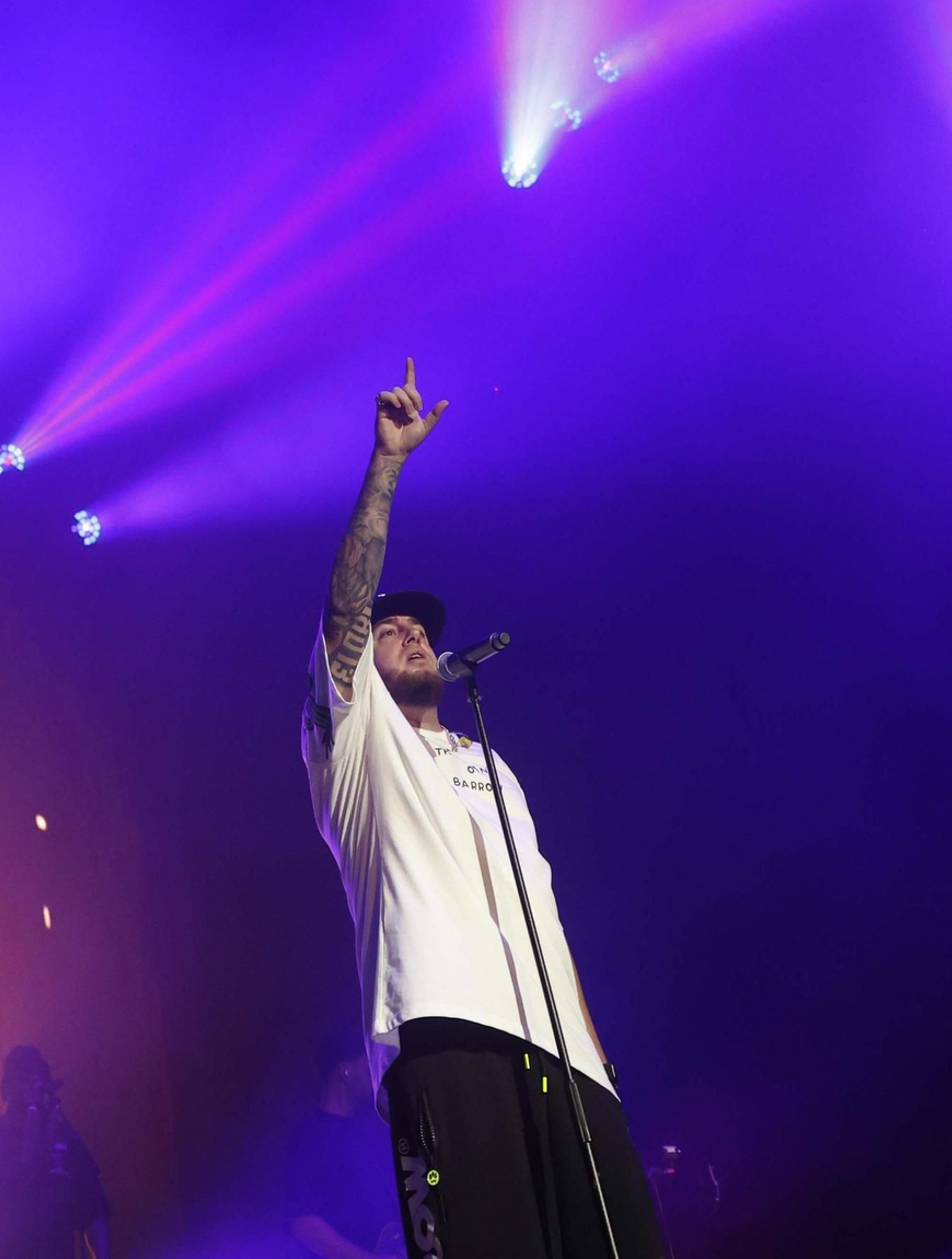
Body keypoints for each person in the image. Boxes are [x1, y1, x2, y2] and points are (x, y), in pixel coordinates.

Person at [302, 358, 665, 1259]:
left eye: (421, 624)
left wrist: (595, 1049)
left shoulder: (491, 760)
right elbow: (345, 607)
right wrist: (387, 467)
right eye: (394, 628)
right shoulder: (354, 749)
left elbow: (545, 913)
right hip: (445, 1031)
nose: (414, 629)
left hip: (569, 1059)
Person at [0, 1045, 110, 1259]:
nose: (30, 1084)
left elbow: (94, 1213)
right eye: (23, 1076)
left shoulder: (65, 1141)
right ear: (8, 1085)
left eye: (36, 1076)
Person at [284, 1029, 401, 1259]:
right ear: (345, 1071)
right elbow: (304, 1223)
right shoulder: (310, 1135)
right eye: (368, 1062)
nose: (376, 1071)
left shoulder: (376, 1125)